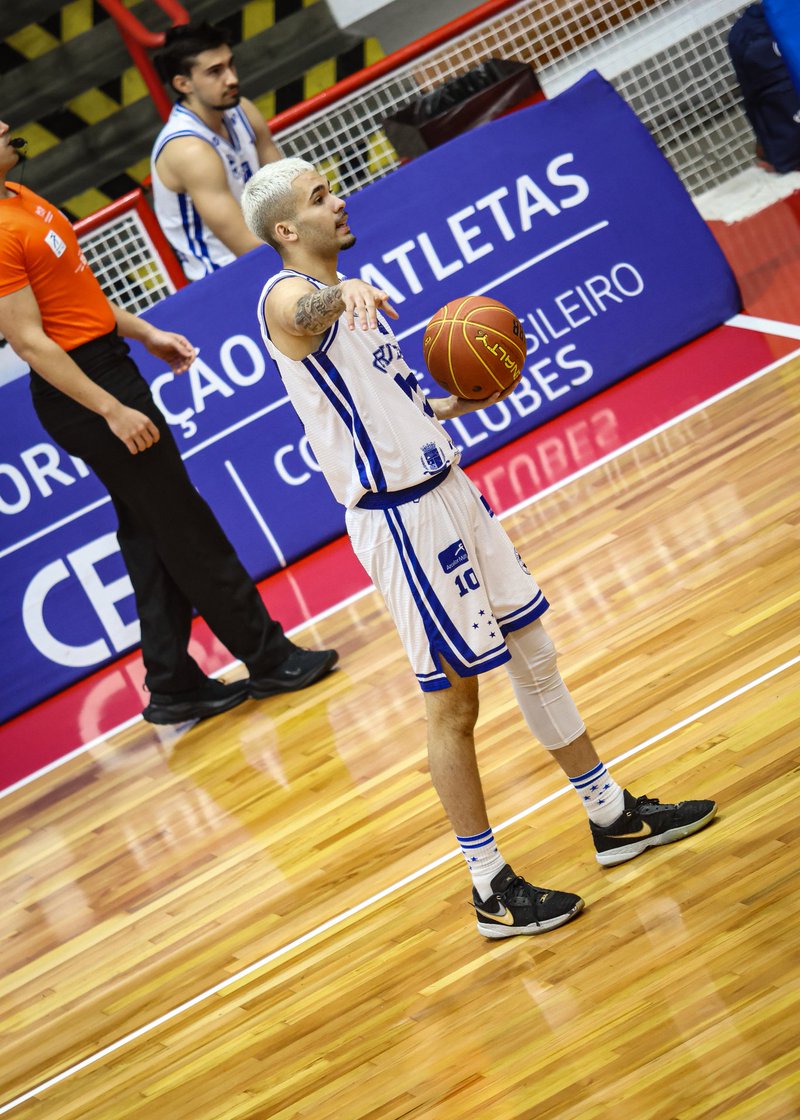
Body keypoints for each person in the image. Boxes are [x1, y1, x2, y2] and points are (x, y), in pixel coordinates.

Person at [240, 157, 717, 938]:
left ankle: (611, 815)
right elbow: (300, 313)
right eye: (323, 197)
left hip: (450, 494)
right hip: (402, 522)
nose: (341, 200)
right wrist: (340, 293)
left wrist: (442, 404)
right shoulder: (289, 299)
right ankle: (488, 884)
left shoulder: (353, 304)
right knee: (454, 701)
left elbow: (382, 397)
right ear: (287, 229)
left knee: (535, 650)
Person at [0, 126, 337, 726]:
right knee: (186, 526)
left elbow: (75, 297)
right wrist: (109, 408)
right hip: (86, 392)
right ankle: (268, 658)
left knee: (151, 530)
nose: (8, 130)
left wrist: (142, 331)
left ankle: (173, 682)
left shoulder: (20, 198)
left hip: (109, 362)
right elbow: (29, 341)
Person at [151, 22, 282, 281]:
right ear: (183, 83)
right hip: (224, 278)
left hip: (271, 253)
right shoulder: (188, 149)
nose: (232, 78)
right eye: (215, 71)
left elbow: (285, 189)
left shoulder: (242, 108)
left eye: (230, 64)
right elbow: (245, 246)